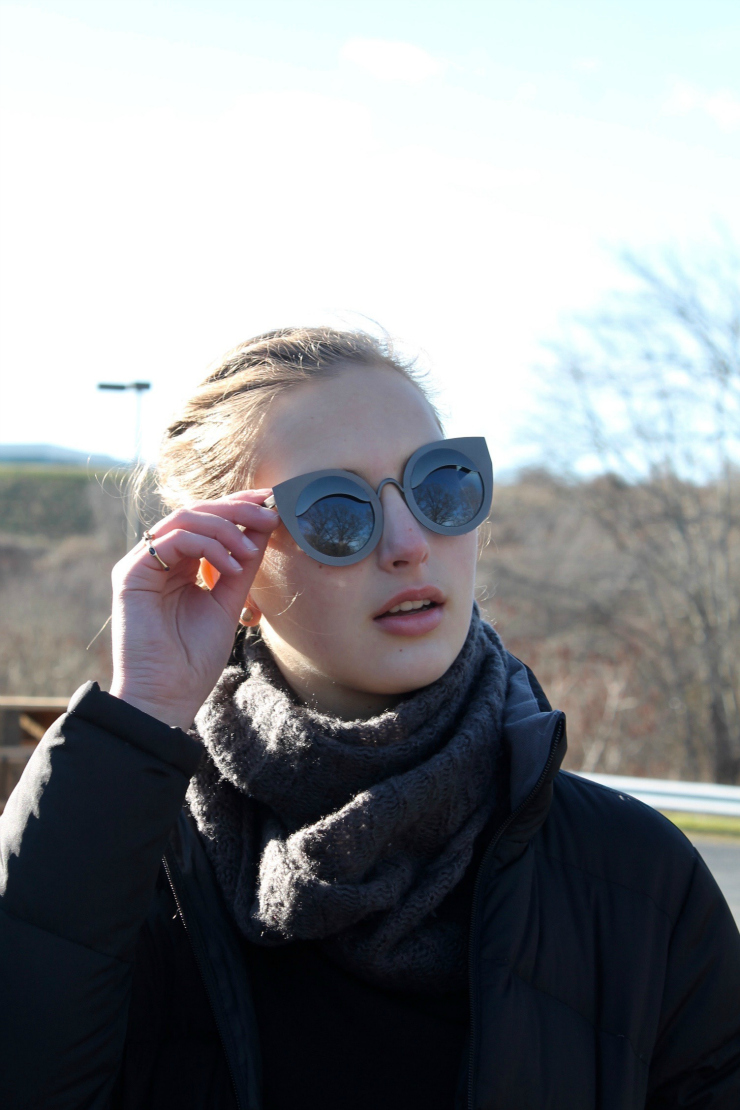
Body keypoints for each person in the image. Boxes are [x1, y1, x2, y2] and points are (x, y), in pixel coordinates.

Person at [1, 327, 739, 1110]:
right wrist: (143, 707)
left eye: (440, 486)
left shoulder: (633, 877)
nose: (410, 544)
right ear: (231, 571)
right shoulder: (125, 869)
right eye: (337, 511)